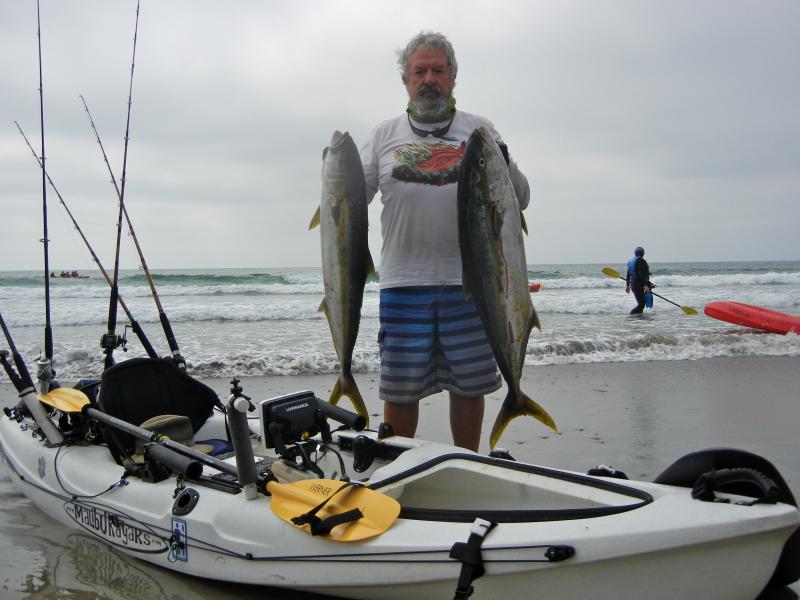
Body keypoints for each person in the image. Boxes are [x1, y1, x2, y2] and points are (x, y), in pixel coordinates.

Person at [360, 31, 530, 452]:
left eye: (438, 70)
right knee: (400, 391)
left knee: (469, 387)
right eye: (420, 71)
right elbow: (351, 198)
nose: (429, 79)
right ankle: (398, 468)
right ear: (406, 80)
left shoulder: (481, 131)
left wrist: (504, 156)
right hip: (402, 284)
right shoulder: (384, 136)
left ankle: (468, 464)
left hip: (473, 284)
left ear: (453, 77)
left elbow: (521, 198)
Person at [625, 246, 652, 314]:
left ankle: (638, 320)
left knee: (641, 303)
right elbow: (642, 274)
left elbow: (628, 274)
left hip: (633, 284)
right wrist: (645, 285)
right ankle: (631, 316)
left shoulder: (631, 261)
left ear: (635, 253)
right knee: (641, 304)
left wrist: (627, 286)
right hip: (639, 284)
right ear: (643, 253)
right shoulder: (642, 261)